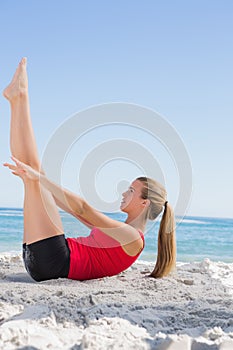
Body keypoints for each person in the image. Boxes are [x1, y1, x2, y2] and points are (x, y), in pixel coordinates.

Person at [3, 58, 176, 282]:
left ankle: (20, 97)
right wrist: (39, 180)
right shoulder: (122, 232)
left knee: (35, 175)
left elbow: (83, 208)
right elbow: (75, 210)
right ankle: (18, 99)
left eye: (131, 191)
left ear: (145, 203)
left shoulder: (133, 237)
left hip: (54, 260)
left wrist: (39, 179)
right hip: (45, 260)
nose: (124, 193)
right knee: (32, 175)